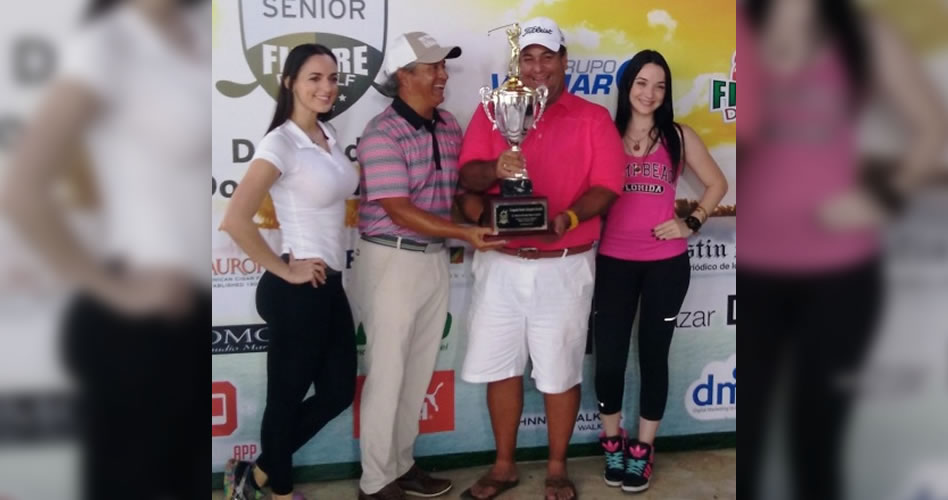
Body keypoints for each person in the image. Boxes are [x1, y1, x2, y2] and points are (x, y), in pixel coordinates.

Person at [738, 1, 947, 499]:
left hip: (841, 276)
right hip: (748, 275)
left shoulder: (862, 34)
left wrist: (884, 196)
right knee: (744, 445)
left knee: (816, 445)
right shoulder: (737, 24)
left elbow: (933, 127)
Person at [1, 0, 209, 498]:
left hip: (197, 317)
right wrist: (110, 289)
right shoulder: (110, 44)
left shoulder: (200, 32)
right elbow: (23, 188)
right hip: (142, 329)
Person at [456, 17, 626, 500]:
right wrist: (496, 167)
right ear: (518, 65)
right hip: (502, 263)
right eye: (528, 59)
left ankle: (556, 468)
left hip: (565, 265)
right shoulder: (493, 110)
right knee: (500, 368)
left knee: (560, 371)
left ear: (564, 61)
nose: (537, 68)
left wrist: (568, 218)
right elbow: (468, 177)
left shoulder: (592, 118)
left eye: (546, 57)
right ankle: (503, 466)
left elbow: (607, 186)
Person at [353, 31, 503, 500]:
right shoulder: (381, 133)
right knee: (387, 375)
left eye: (443, 66)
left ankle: (401, 465)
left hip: (433, 258)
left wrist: (482, 222)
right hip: (390, 259)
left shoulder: (448, 125)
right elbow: (398, 209)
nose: (443, 75)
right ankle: (375, 482)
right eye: (433, 67)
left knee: (417, 372)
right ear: (404, 76)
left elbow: (456, 195)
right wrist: (464, 232)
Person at [218, 43, 358, 500]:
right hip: (297, 291)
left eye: (333, 78)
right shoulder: (280, 142)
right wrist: (284, 269)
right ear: (290, 83)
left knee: (338, 393)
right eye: (314, 78)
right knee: (285, 399)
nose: (326, 87)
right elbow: (235, 219)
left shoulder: (327, 133)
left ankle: (255, 473)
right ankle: (279, 492)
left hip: (329, 285)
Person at [592, 49, 728, 493]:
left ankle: (643, 449)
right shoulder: (605, 134)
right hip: (613, 262)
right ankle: (612, 441)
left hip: (666, 265)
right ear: (627, 86)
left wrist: (691, 222)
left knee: (654, 357)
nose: (650, 93)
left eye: (660, 86)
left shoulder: (678, 136)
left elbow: (717, 183)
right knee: (609, 359)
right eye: (642, 83)